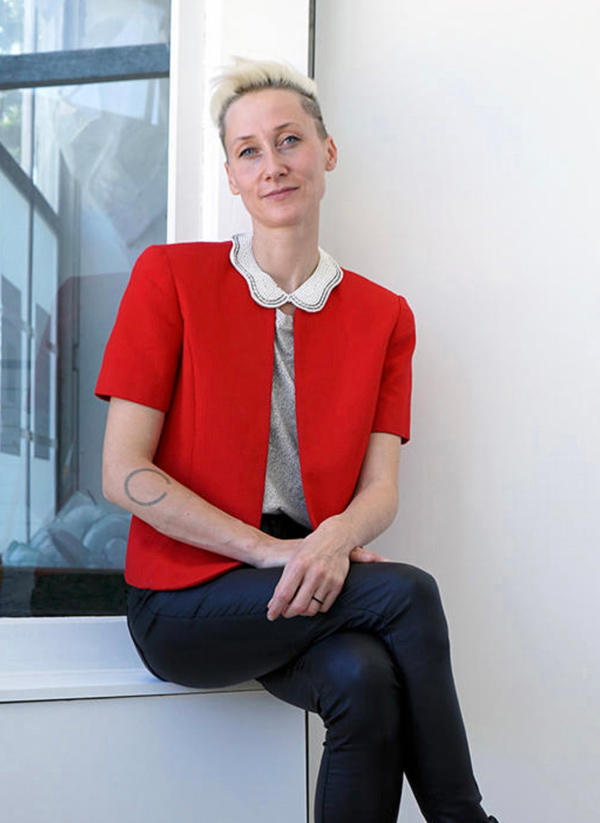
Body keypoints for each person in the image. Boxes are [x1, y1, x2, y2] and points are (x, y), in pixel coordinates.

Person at [96, 58, 499, 823]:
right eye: (250, 150)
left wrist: (334, 538)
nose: (273, 164)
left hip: (304, 582)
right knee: (408, 592)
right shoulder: (169, 277)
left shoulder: (385, 315)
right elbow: (122, 473)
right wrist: (276, 550)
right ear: (231, 176)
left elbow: (380, 487)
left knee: (364, 678)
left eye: (290, 140)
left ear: (327, 151)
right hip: (182, 600)